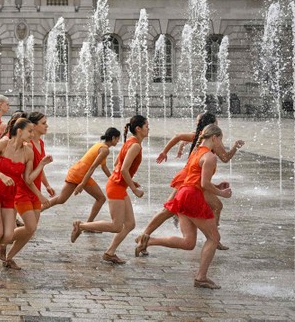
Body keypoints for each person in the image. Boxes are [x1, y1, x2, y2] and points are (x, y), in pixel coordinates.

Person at [137, 124, 232, 289]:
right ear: (214, 138)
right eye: (220, 140)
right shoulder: (210, 157)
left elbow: (198, 180)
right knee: (214, 238)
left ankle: (148, 241)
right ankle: (201, 277)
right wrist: (221, 193)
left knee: (189, 243)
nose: (221, 145)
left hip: (183, 194)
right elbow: (204, 183)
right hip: (192, 196)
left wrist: (216, 185)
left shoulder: (197, 152)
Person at [135, 112, 244, 254]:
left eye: (198, 121)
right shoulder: (210, 139)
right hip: (188, 181)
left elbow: (180, 138)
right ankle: (144, 237)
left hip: (192, 180)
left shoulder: (202, 138)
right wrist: (235, 147)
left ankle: (213, 239)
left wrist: (170, 150)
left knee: (215, 206)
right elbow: (225, 158)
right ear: (213, 124)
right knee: (168, 210)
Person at [70, 115, 149, 265]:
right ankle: (80, 226)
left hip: (118, 185)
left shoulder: (131, 142)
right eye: (146, 126)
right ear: (138, 129)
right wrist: (133, 189)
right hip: (116, 187)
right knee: (116, 226)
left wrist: (130, 181)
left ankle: (109, 253)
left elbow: (117, 165)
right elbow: (124, 169)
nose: (148, 128)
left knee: (130, 224)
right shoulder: (135, 145)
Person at [0, 117, 44, 275]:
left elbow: (27, 179)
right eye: (29, 131)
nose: (32, 134)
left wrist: (41, 165)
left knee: (7, 236)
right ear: (19, 131)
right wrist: (1, 176)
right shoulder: (3, 143)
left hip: (10, 195)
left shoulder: (28, 151)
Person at [3, 112, 53, 268]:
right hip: (22, 191)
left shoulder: (41, 143)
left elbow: (39, 169)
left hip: (35, 190)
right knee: (30, 227)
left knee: (31, 230)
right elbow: (27, 177)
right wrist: (40, 194)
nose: (46, 126)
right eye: (43, 123)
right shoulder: (28, 146)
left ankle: (8, 258)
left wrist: (47, 185)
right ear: (34, 125)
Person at [47, 127, 121, 224]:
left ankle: (40, 208)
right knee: (100, 198)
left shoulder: (100, 145)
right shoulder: (105, 150)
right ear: (113, 138)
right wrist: (82, 184)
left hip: (79, 172)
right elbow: (92, 167)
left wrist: (113, 180)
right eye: (118, 139)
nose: (118, 141)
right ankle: (88, 225)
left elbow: (104, 167)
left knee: (62, 199)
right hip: (80, 174)